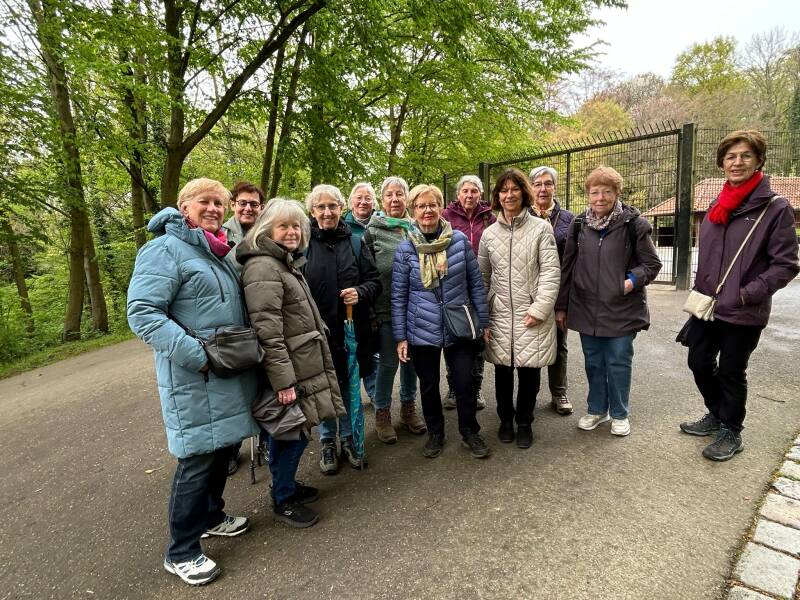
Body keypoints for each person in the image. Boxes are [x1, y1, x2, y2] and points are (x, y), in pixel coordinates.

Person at [127, 178, 259, 586]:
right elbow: (143, 313)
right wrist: (197, 357)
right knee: (198, 457)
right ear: (184, 207)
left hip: (225, 371)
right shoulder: (165, 249)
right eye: (205, 201)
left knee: (223, 448)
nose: (214, 208)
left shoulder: (216, 250)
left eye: (219, 202)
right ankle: (181, 551)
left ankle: (211, 516)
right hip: (195, 376)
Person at [680, 130, 799, 461]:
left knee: (731, 370)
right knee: (698, 360)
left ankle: (731, 430)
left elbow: (786, 264)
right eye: (730, 156)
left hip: (744, 308)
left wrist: (746, 294)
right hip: (709, 304)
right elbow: (709, 257)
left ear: (759, 160)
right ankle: (717, 413)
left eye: (746, 155)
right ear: (722, 163)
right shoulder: (717, 205)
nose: (737, 162)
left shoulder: (775, 208)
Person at [238, 198, 347, 527]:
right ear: (266, 230)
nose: (292, 232)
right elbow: (267, 332)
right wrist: (283, 382)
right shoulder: (264, 268)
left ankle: (287, 486)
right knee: (291, 433)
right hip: (289, 370)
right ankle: (283, 498)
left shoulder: (283, 263)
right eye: (283, 226)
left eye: (296, 226)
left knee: (296, 430)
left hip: (301, 362)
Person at [555, 166, 662, 437]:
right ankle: (596, 409)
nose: (600, 198)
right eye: (595, 192)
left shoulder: (634, 224)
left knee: (618, 362)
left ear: (617, 193)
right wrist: (562, 306)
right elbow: (567, 267)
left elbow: (651, 264)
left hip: (621, 308)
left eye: (606, 191)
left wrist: (629, 282)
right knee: (593, 362)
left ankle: (619, 413)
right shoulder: (579, 225)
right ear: (588, 195)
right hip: (586, 307)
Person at [392, 184, 491, 459]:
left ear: (441, 207)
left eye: (432, 204)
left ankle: (469, 431)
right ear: (413, 211)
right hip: (421, 327)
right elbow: (399, 296)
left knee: (464, 382)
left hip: (458, 324)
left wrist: (483, 322)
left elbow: (475, 284)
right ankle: (436, 434)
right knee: (428, 385)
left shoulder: (458, 241)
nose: (427, 210)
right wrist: (401, 337)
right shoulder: (405, 249)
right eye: (421, 206)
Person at [478, 168, 561, 449]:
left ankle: (524, 421)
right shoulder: (489, 234)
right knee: (502, 371)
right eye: (503, 190)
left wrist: (540, 309)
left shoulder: (541, 228)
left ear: (524, 193)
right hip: (499, 313)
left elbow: (550, 272)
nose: (509, 195)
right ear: (497, 196)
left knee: (529, 371)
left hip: (531, 312)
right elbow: (482, 277)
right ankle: (505, 419)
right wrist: (483, 316)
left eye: (514, 189)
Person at [304, 184, 382, 475]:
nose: (327, 212)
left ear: (341, 209)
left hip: (352, 329)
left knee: (348, 383)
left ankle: (349, 437)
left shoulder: (356, 243)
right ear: (312, 211)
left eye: (332, 206)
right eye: (321, 207)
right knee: (324, 387)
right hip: (317, 332)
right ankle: (327, 440)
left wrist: (360, 292)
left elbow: (374, 282)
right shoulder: (302, 244)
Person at [362, 177, 425, 444]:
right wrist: (372, 313)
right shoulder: (372, 232)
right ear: (382, 200)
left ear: (407, 199)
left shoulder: (416, 229)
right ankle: (382, 413)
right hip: (386, 310)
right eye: (389, 195)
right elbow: (367, 274)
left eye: (400, 194)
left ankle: (408, 408)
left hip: (416, 310)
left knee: (412, 363)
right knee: (388, 363)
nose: (395, 199)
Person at [221, 180, 265, 475]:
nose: (248, 208)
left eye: (254, 204)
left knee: (265, 383)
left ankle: (267, 439)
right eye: (243, 203)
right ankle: (231, 446)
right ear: (233, 204)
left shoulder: (268, 231)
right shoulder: (220, 235)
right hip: (234, 323)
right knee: (235, 390)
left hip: (264, 317)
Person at [441, 175, 495, 411]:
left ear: (480, 194)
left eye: (474, 191)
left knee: (478, 336)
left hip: (480, 283)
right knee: (453, 335)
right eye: (465, 191)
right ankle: (454, 387)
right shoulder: (446, 216)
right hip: (454, 285)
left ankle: (476, 387)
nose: (469, 195)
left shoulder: (489, 217)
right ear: (458, 194)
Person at [528, 166, 575, 416]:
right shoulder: (522, 215)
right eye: (537, 184)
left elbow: (572, 263)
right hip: (528, 293)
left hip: (558, 292)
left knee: (559, 344)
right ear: (530, 188)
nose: (543, 189)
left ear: (555, 187)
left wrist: (563, 304)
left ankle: (559, 392)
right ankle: (530, 396)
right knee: (532, 345)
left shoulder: (569, 219)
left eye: (548, 183)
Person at [343, 182, 379, 405]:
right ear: (350, 202)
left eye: (368, 198)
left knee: (373, 352)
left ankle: (375, 395)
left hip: (374, 293)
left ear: (374, 203)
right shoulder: (343, 226)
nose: (363, 202)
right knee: (353, 350)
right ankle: (353, 397)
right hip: (352, 299)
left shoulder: (381, 224)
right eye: (359, 197)